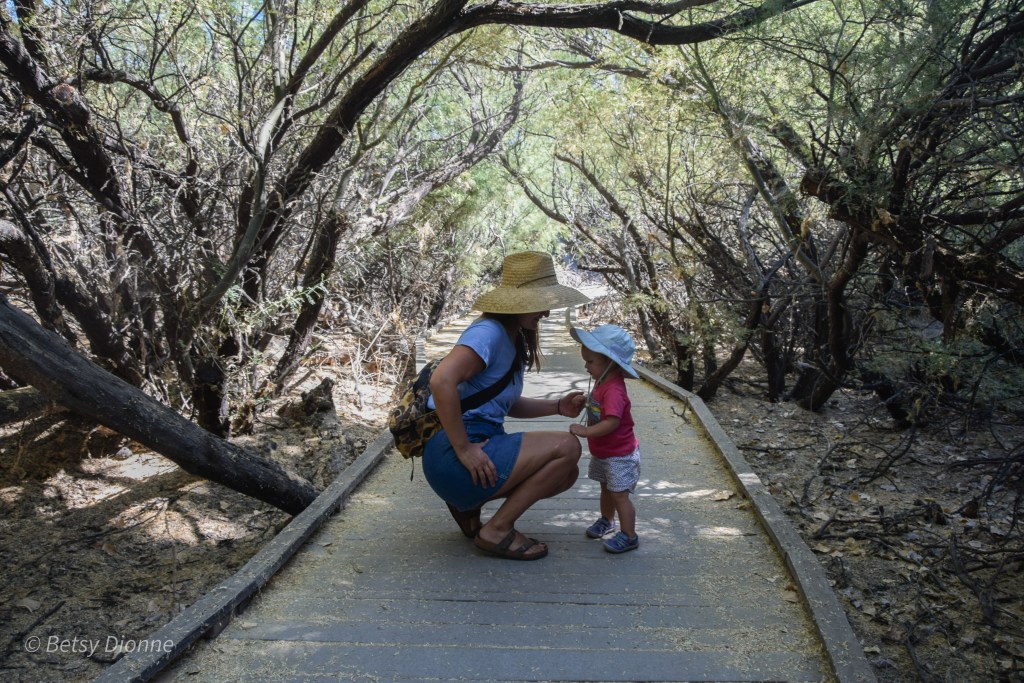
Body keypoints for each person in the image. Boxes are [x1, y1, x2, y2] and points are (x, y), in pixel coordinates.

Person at [424, 251, 590, 561]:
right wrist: (464, 449)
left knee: (565, 474)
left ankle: (469, 508)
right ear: (521, 302)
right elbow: (441, 381)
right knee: (567, 447)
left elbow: (503, 404)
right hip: (453, 455)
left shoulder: (510, 336)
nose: (547, 313)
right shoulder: (488, 333)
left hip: (463, 453)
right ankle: (497, 529)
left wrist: (557, 406)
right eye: (541, 302)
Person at [568, 324, 642, 553]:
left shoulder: (615, 390)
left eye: (590, 362)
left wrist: (586, 432)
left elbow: (612, 421)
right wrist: (585, 402)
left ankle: (629, 535)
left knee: (619, 494)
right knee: (606, 489)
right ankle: (606, 520)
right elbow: (598, 407)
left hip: (620, 454)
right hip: (604, 452)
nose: (586, 366)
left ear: (610, 362)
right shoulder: (601, 383)